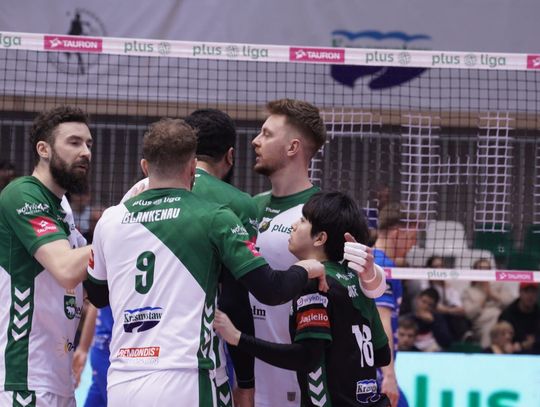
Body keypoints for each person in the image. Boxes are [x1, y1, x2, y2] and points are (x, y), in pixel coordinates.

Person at [85, 118, 329, 406]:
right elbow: (270, 290)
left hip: (123, 380)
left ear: (145, 167)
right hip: (189, 377)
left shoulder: (110, 219)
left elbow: (98, 295)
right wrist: (305, 268)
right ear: (192, 168)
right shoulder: (216, 217)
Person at [249, 98, 386, 407]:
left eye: (267, 134)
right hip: (249, 377)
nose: (256, 141)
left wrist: (371, 274)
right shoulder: (248, 207)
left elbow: (366, 282)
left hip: (303, 383)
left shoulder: (322, 214)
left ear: (293, 147)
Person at [122, 108, 260, 406]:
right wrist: (246, 381)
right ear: (230, 156)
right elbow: (236, 297)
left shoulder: (133, 196)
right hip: (194, 361)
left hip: (130, 362)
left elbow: (100, 288)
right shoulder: (237, 204)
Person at [216, 191, 391, 406]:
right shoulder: (357, 280)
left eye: (302, 220)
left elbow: (306, 357)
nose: (293, 226)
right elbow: (382, 355)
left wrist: (238, 338)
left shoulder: (317, 283)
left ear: (320, 238)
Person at [0, 106, 92, 406]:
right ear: (44, 149)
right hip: (23, 379)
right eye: (74, 142)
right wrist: (125, 226)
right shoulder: (22, 193)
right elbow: (66, 269)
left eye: (88, 144)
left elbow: (92, 288)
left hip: (59, 379)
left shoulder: (62, 207)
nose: (86, 152)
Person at [372, 202, 417, 407]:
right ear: (397, 234)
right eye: (412, 238)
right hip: (375, 371)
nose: (413, 245)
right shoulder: (382, 266)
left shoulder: (376, 261)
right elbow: (382, 321)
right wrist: (389, 375)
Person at [461, 258, 516, 347]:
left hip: (502, 319)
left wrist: (492, 294)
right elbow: (469, 314)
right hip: (482, 322)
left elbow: (510, 303)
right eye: (480, 269)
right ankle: (488, 351)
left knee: (504, 327)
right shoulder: (468, 291)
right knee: (491, 328)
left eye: (486, 269)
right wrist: (484, 297)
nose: (484, 271)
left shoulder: (499, 285)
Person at [499, 282, 540, 354]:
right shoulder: (508, 314)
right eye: (526, 291)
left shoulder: (538, 312)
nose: (530, 295)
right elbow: (501, 339)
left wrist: (533, 342)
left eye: (533, 292)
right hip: (514, 355)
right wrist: (522, 345)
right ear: (520, 292)